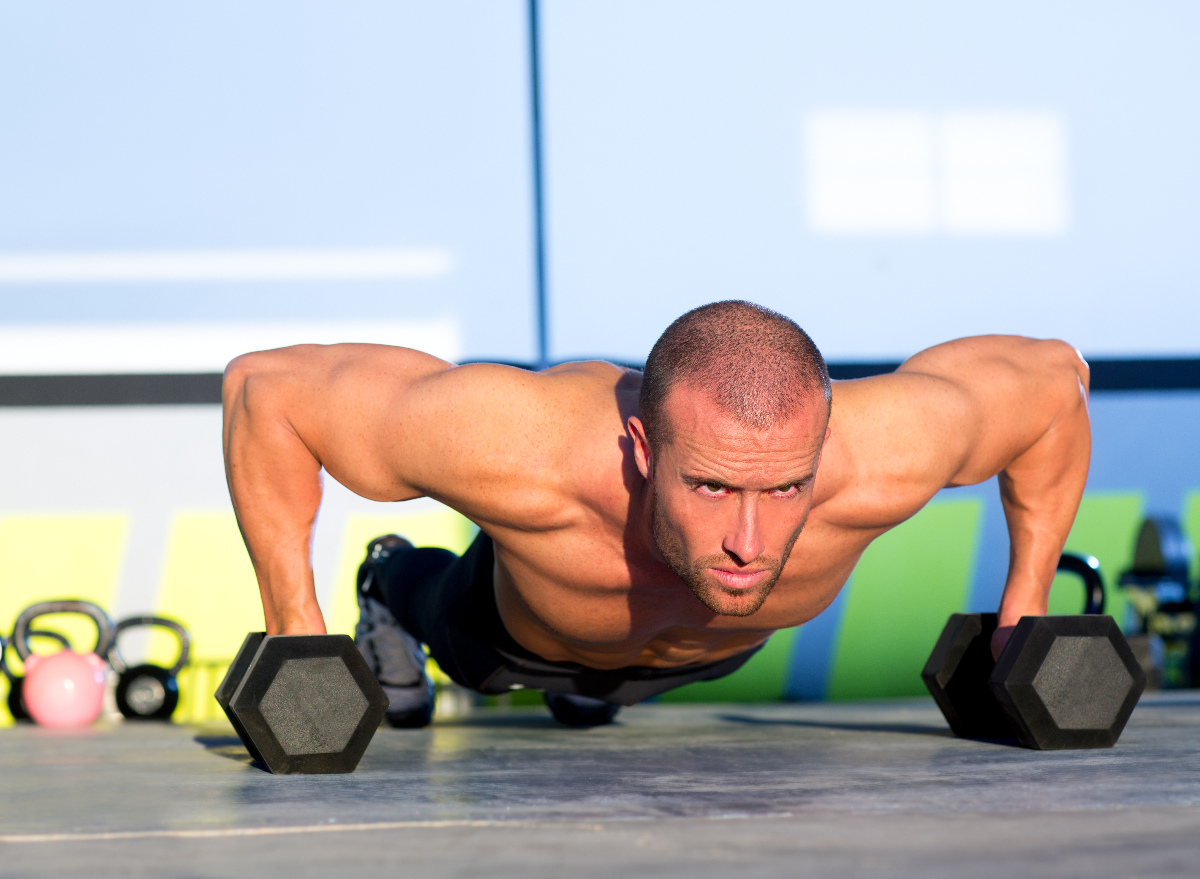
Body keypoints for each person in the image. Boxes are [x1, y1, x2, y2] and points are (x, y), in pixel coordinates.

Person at [221, 301, 1090, 727]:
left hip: (703, 657)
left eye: (785, 489)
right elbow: (267, 389)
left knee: (616, 685)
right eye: (712, 487)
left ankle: (599, 691)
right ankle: (389, 577)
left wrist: (1027, 605)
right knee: (458, 629)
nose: (749, 545)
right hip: (509, 638)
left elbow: (1052, 383)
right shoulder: (518, 444)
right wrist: (295, 624)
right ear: (642, 449)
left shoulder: (886, 453)